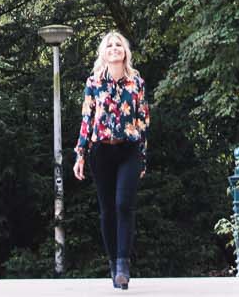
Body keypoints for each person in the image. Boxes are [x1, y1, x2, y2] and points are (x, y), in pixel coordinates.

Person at [72, 30, 150, 289]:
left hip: (129, 149)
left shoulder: (136, 82)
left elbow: (143, 120)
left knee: (123, 205)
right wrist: (80, 154)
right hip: (101, 151)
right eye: (110, 45)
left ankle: (123, 265)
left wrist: (143, 157)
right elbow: (86, 119)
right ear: (103, 53)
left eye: (119, 45)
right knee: (107, 209)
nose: (115, 48)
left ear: (125, 52)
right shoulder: (93, 82)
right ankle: (112, 262)